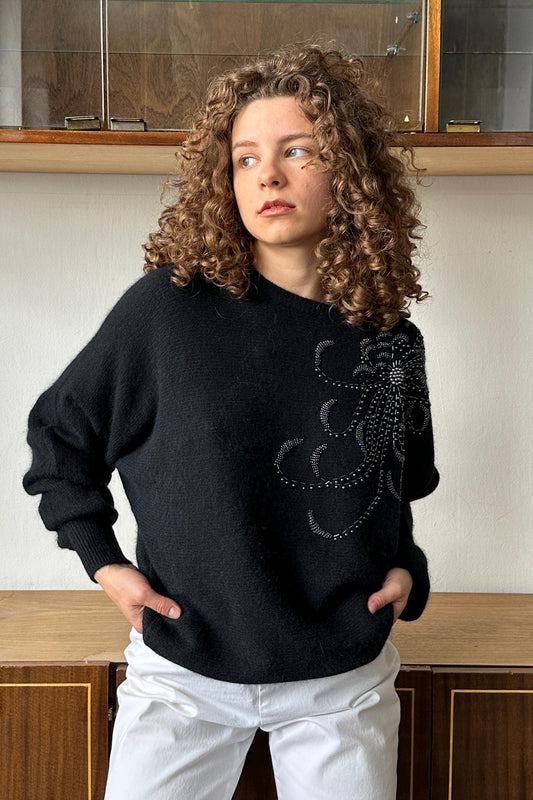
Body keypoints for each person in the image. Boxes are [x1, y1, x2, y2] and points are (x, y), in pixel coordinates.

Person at [23, 43, 439, 800]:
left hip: (340, 680)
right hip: (184, 670)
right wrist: (103, 562)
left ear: (350, 173)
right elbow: (61, 435)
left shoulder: (390, 341)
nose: (267, 175)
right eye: (244, 158)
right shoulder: (166, 312)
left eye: (296, 151)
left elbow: (399, 483)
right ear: (223, 180)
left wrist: (408, 567)